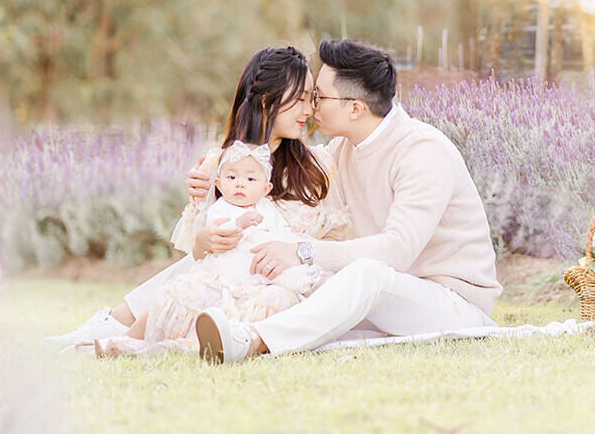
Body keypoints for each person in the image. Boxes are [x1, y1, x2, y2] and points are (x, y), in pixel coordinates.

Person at [194, 39, 503, 364]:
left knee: (366, 274)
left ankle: (251, 341)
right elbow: (277, 176)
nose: (311, 108)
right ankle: (135, 321)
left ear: (355, 108)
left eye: (319, 97)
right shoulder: (341, 152)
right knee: (235, 246)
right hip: (388, 298)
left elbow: (397, 251)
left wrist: (304, 252)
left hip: (450, 303)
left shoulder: (423, 151)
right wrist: (217, 170)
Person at [43, 46, 351, 348]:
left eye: (310, 99)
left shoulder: (317, 167)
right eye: (299, 99)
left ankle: (116, 326)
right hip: (222, 282)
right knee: (189, 288)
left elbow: (337, 244)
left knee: (212, 296)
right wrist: (207, 238)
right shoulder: (218, 165)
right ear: (268, 97)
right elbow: (198, 254)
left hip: (283, 291)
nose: (309, 110)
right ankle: (110, 328)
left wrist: (295, 252)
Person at [83, 141, 336, 357]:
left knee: (271, 302)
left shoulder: (267, 209)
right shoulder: (223, 207)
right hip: (222, 275)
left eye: (250, 179)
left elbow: (282, 235)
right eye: (231, 177)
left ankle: (214, 340)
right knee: (177, 294)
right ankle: (129, 339)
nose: (240, 184)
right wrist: (240, 223)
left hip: (254, 280)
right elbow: (221, 230)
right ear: (219, 182)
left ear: (265, 188)